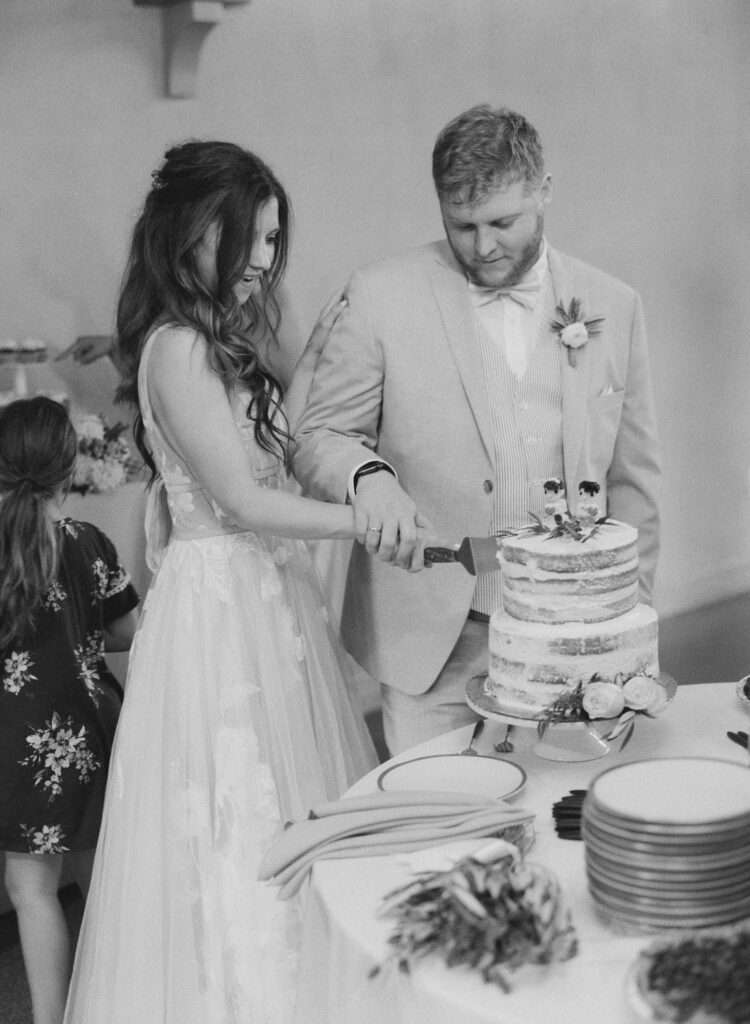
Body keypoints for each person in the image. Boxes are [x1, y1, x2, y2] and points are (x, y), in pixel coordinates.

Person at [63, 140, 377, 1024]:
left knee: (291, 788)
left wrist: (311, 356)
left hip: (265, 596)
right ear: (189, 235)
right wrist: (369, 520)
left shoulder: (218, 340)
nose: (263, 260)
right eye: (247, 238)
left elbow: (266, 453)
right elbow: (242, 500)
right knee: (236, 805)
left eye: (275, 240)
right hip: (221, 605)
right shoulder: (175, 348)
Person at [293, 104, 661, 755]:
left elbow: (633, 482)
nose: (483, 246)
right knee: (445, 825)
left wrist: (627, 622)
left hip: (575, 636)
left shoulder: (614, 304)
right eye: (461, 225)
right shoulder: (380, 295)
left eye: (502, 222)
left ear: (544, 189)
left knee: (566, 813)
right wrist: (368, 477)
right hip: (430, 636)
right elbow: (319, 434)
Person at [0, 396, 139, 1024]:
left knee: (31, 892)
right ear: (68, 469)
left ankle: (51, 1018)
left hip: (15, 743)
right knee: (100, 879)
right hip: (90, 732)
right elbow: (127, 630)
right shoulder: (86, 541)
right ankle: (131, 996)